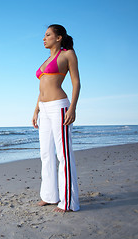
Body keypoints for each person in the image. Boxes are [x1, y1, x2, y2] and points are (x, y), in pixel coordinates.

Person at [32, 24, 81, 212]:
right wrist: (36, 110)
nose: (44, 38)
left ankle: (68, 202)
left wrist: (73, 108)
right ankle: (49, 196)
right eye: (44, 35)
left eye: (48, 35)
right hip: (43, 109)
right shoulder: (47, 59)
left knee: (64, 155)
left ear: (59, 37)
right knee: (46, 154)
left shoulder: (68, 54)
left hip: (59, 107)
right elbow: (42, 87)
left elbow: (76, 83)